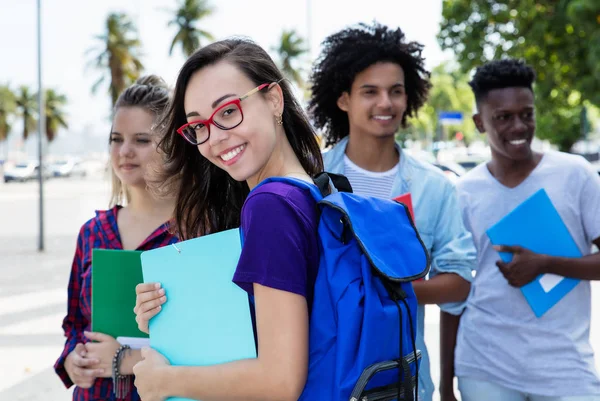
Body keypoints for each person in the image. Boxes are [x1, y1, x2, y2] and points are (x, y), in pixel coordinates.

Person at [132, 38, 323, 401]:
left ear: (274, 100)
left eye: (229, 111)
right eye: (199, 126)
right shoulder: (314, 190)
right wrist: (167, 318)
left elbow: (279, 380)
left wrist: (165, 382)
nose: (215, 137)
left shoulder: (270, 206)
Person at [308, 22, 476, 401]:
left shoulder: (433, 187)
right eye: (370, 91)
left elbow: (459, 284)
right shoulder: (310, 180)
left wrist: (388, 287)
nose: (385, 102)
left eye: (396, 91)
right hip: (322, 377)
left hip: (403, 380)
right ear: (343, 99)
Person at [450, 58, 600, 401]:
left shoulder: (574, 174)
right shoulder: (464, 192)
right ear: (479, 122)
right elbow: (456, 293)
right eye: (503, 117)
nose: (518, 126)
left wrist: (546, 263)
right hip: (485, 366)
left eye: (526, 114)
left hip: (565, 367)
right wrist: (446, 383)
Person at [54, 75, 177, 401]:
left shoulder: (195, 231)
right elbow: (74, 324)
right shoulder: (92, 233)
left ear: (171, 144)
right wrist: (72, 358)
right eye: (115, 138)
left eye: (141, 139)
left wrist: (123, 359)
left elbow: (212, 341)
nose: (124, 151)